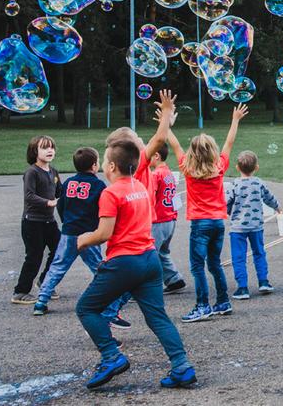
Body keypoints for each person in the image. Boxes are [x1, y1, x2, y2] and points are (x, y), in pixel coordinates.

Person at [75, 90, 195, 390]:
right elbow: (155, 142)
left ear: (112, 166)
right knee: (157, 317)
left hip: (124, 261)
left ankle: (111, 355)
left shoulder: (111, 192)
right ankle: (182, 366)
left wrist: (83, 240)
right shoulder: (141, 184)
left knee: (86, 308)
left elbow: (104, 234)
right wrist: (167, 116)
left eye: (105, 159)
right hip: (149, 259)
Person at [167, 103, 248, 322]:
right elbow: (229, 142)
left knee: (197, 266)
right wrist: (235, 119)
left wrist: (166, 122)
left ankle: (202, 305)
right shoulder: (219, 166)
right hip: (218, 223)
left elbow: (173, 143)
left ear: (192, 152)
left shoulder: (187, 167)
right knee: (214, 264)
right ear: (213, 151)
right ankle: (222, 301)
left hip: (200, 224)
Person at [34, 147, 125, 323]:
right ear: (94, 165)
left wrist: (67, 221)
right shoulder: (98, 185)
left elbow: (61, 206)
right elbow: (103, 209)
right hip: (89, 235)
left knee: (58, 266)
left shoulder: (68, 183)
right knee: (99, 268)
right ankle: (109, 298)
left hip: (68, 233)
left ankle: (41, 301)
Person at [12, 135, 61, 305]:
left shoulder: (54, 172)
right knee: (34, 256)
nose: (50, 150)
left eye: (52, 147)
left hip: (49, 222)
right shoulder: (32, 172)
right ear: (34, 151)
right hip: (32, 222)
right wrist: (48, 202)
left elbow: (59, 193)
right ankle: (20, 292)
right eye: (44, 147)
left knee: (59, 250)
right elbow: (29, 196)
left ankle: (44, 281)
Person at [226, 151, 280, 300]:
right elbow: (269, 197)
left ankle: (242, 288)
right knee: (259, 253)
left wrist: (226, 211)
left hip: (237, 228)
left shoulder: (234, 184)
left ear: (237, 167)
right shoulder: (259, 182)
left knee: (238, 257)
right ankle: (263, 281)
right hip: (256, 226)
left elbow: (226, 202)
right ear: (256, 167)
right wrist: (278, 207)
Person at [149, 143, 186, 295]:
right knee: (162, 252)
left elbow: (150, 196)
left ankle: (146, 288)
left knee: (149, 255)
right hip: (170, 219)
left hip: (159, 220)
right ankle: (174, 279)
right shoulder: (168, 172)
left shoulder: (155, 174)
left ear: (156, 156)